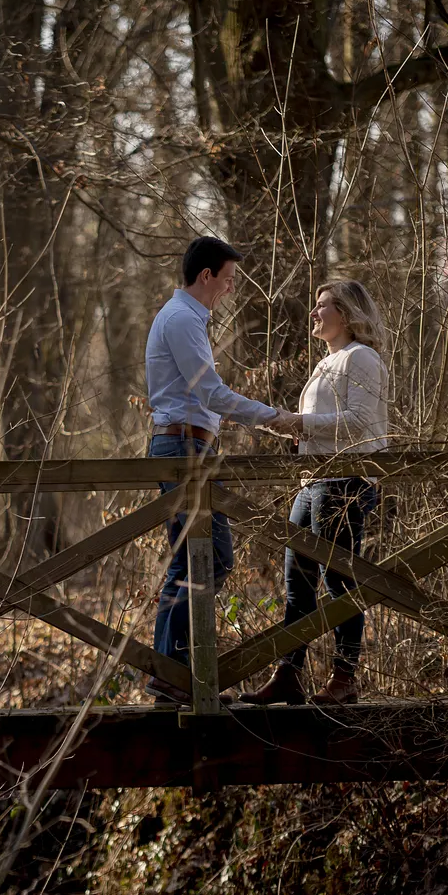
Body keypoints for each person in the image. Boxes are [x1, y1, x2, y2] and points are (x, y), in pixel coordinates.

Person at [146, 236, 290, 700]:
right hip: (185, 450)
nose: (230, 289)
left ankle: (171, 674)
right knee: (212, 558)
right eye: (228, 280)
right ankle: (174, 674)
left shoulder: (187, 319)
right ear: (206, 276)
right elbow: (210, 393)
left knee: (195, 561)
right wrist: (276, 418)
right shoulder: (184, 320)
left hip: (192, 448)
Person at [240, 279, 389, 706]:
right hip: (313, 480)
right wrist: (292, 431)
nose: (315, 312)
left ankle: (345, 679)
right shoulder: (328, 362)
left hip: (344, 480)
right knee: (297, 581)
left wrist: (301, 423)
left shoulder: (361, 357)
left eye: (323, 305)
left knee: (339, 581)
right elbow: (326, 421)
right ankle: (288, 675)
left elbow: (360, 421)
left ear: (346, 313)